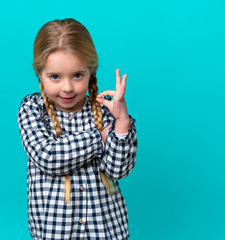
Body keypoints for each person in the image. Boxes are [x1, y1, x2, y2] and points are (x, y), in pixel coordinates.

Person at [18, 18, 138, 240]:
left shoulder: (103, 111)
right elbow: (47, 157)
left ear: (90, 72)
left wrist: (121, 120)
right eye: (55, 77)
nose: (67, 87)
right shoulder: (33, 109)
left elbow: (118, 170)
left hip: (105, 230)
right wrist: (98, 138)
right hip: (56, 231)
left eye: (77, 75)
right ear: (39, 75)